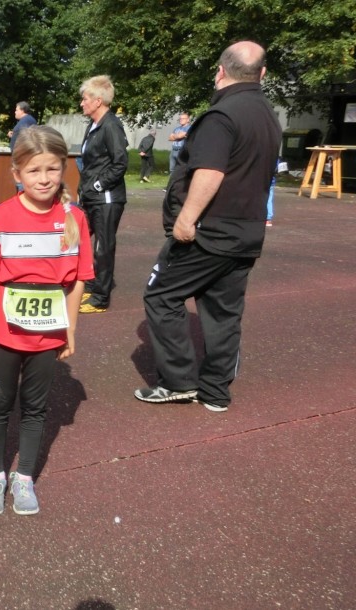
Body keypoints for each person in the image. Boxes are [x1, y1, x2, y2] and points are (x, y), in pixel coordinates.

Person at [134, 41, 281, 413]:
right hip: (246, 233)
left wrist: (186, 218)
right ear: (262, 74)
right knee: (223, 311)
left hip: (209, 233)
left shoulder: (222, 115)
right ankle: (216, 391)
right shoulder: (268, 115)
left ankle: (179, 381)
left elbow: (211, 171)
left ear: (220, 71)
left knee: (161, 295)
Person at [0, 125, 93, 516]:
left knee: (36, 408)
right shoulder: (2, 216)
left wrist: (70, 328)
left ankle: (23, 477)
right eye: (35, 170)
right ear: (17, 174)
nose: (44, 179)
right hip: (6, 335)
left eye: (52, 170)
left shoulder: (74, 218)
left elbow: (76, 281)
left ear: (64, 169)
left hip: (47, 337)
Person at [77, 75, 128, 315]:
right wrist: (84, 190)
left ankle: (101, 297)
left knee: (103, 246)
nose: (82, 103)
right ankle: (92, 283)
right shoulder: (93, 125)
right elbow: (91, 163)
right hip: (90, 197)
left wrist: (97, 186)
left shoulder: (111, 125)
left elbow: (120, 163)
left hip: (107, 198)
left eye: (85, 99)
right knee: (83, 242)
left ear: (98, 101)